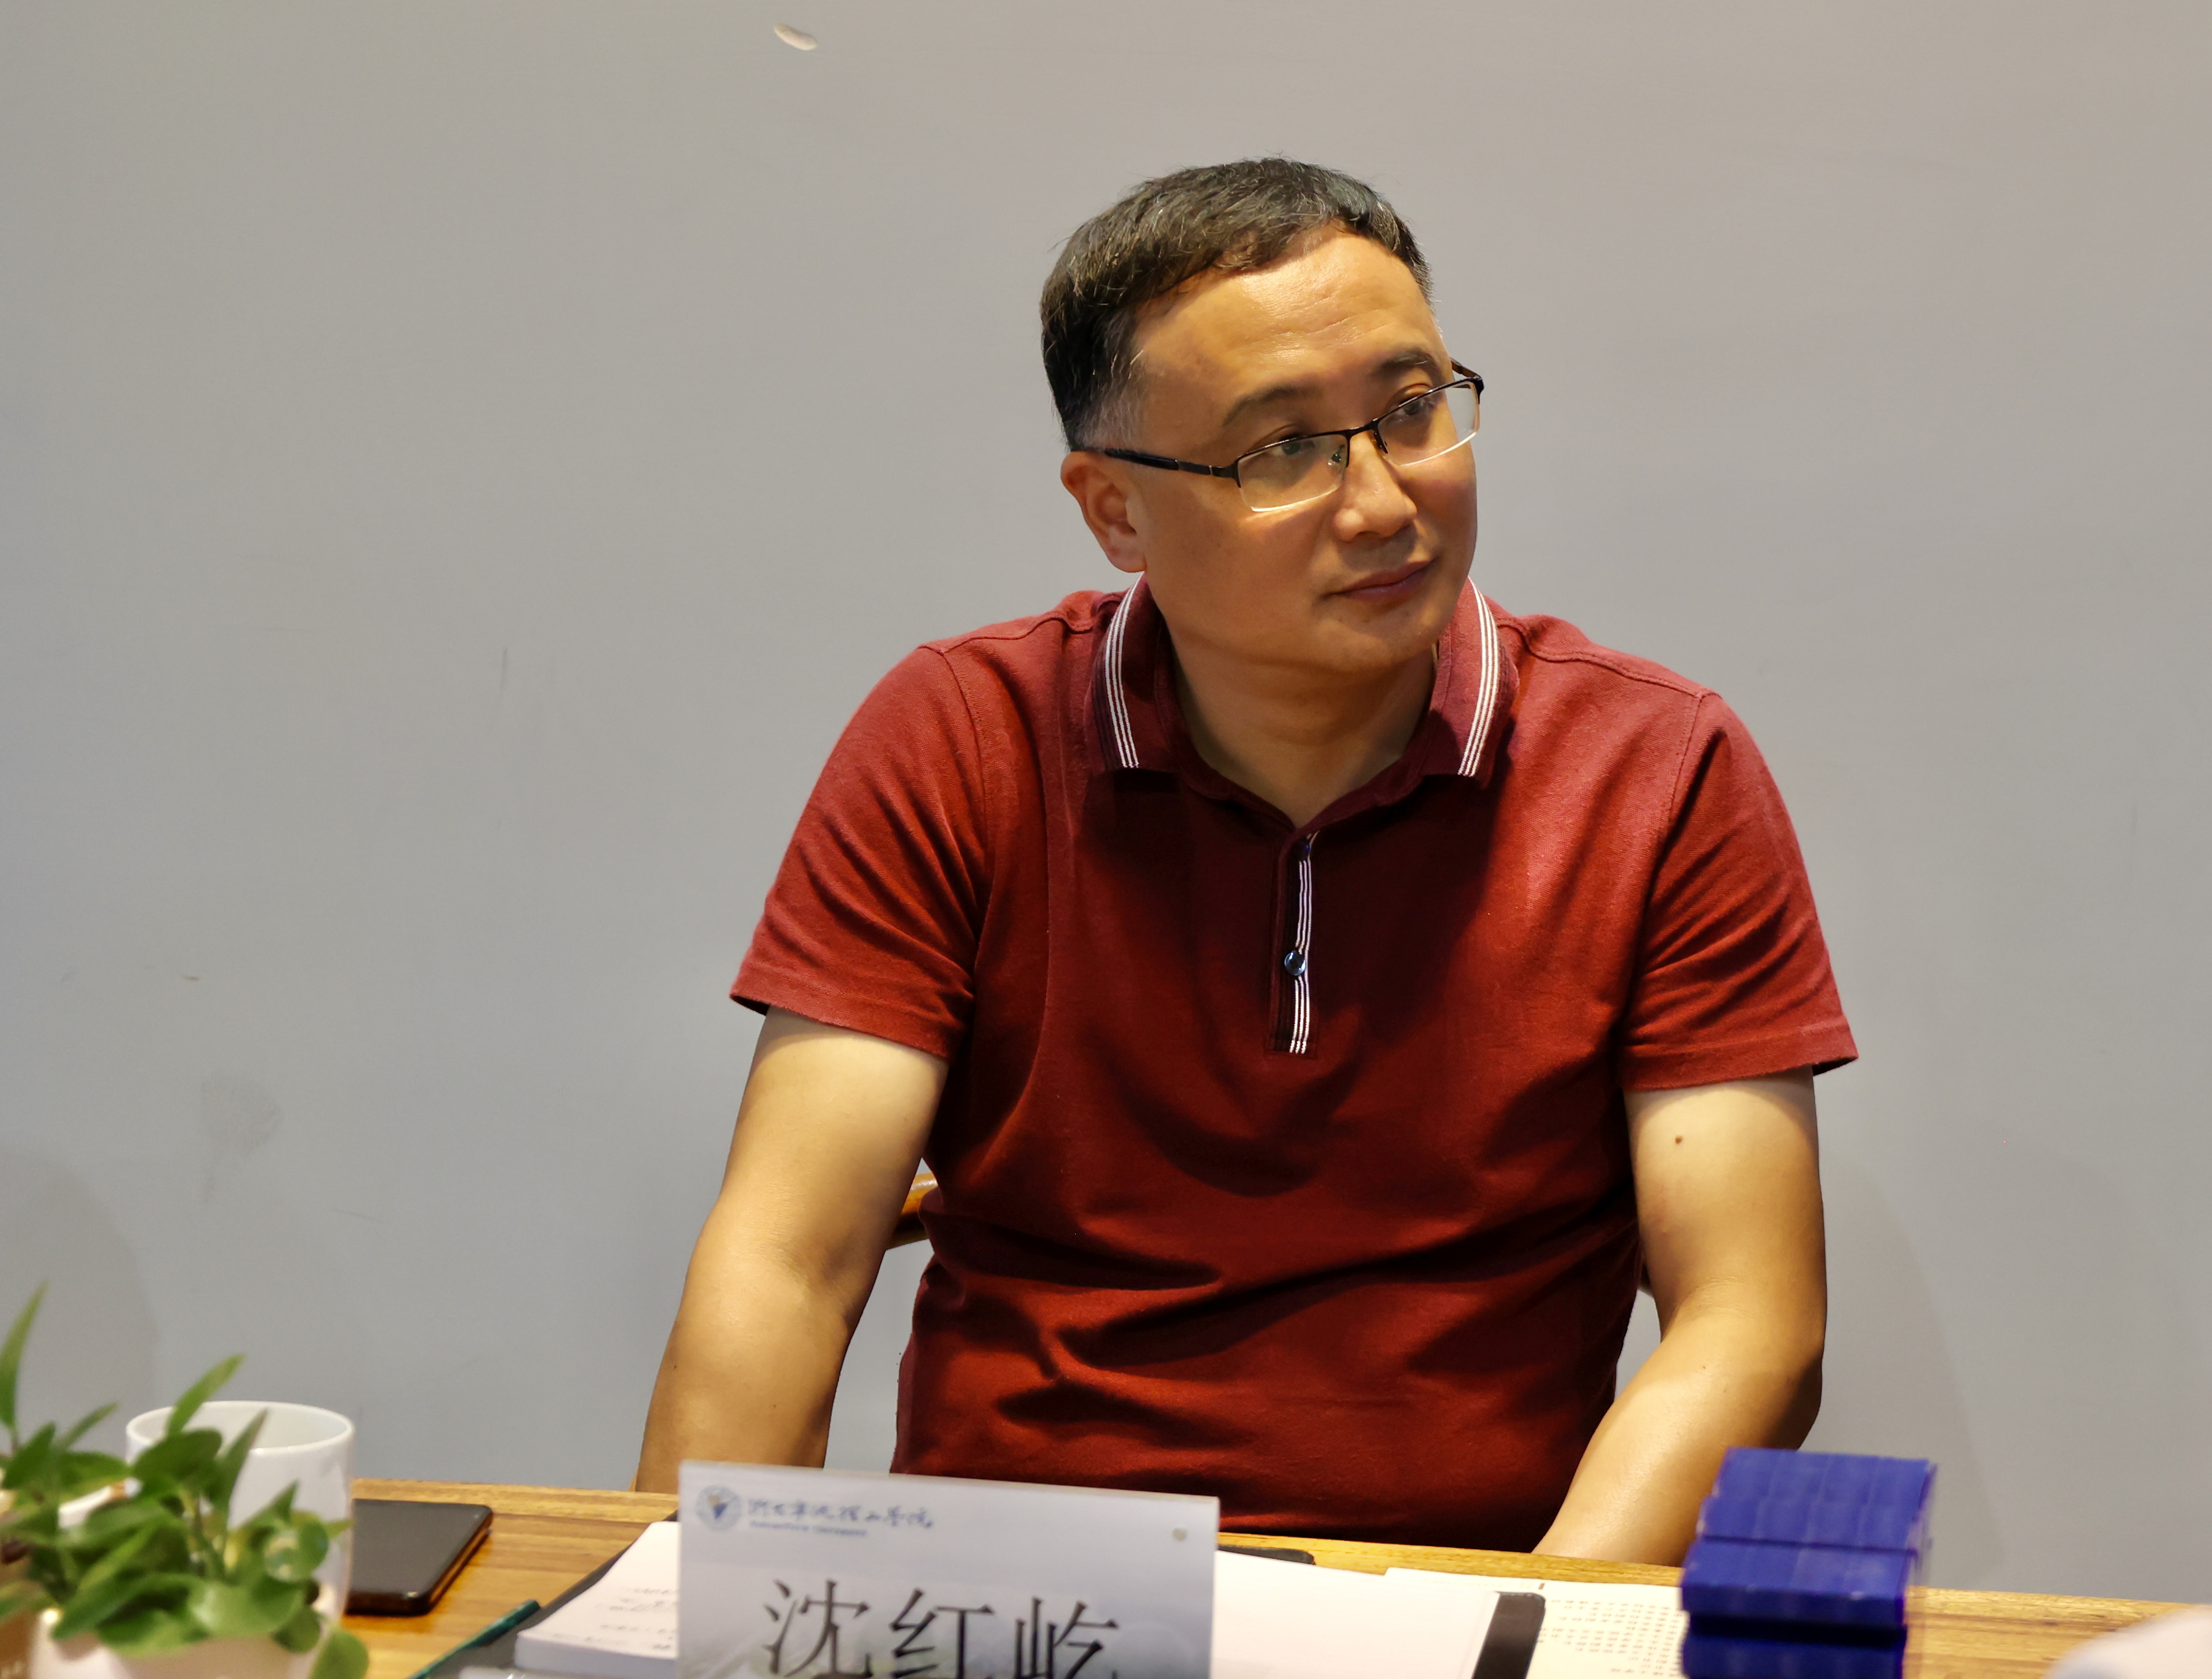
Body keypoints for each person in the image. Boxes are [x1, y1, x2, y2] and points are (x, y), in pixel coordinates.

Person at [634, 158, 1853, 1564]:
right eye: (1281, 451)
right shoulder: (964, 739)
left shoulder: (1653, 767)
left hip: (1456, 1595)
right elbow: (785, 1264)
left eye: (1413, 410)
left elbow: (1749, 1323)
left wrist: (1529, 1632)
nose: (1382, 503)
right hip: (1027, 1596)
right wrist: (680, 1608)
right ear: (1114, 510)